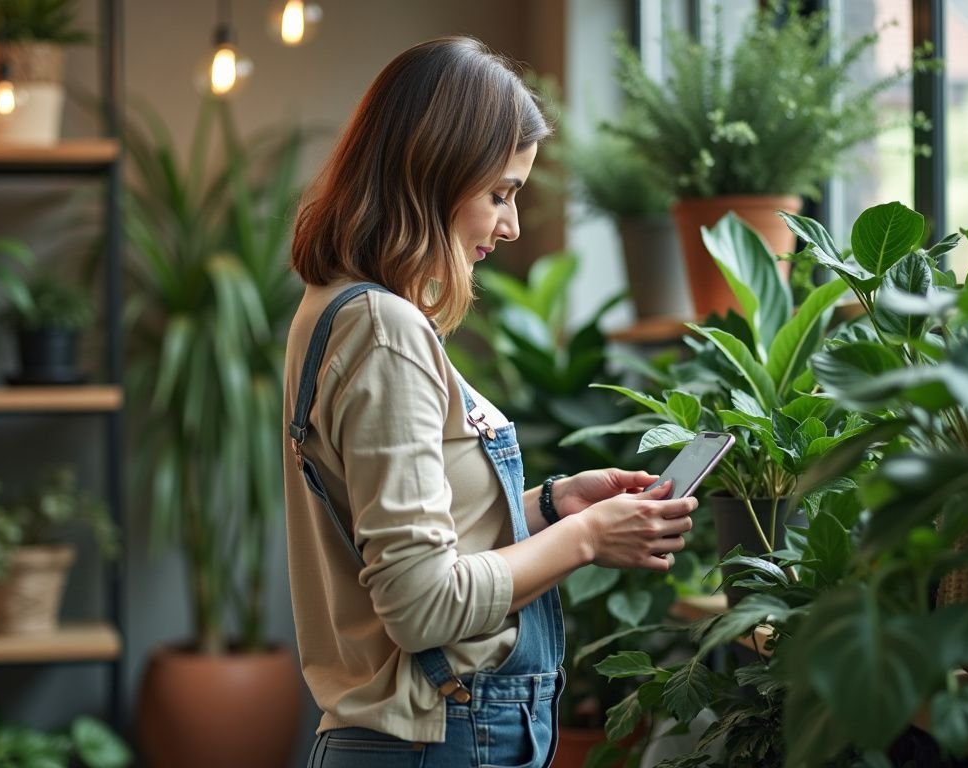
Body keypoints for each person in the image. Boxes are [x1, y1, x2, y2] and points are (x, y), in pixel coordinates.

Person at [282, 35, 698, 768]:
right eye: (499, 194)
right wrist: (590, 538)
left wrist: (552, 504)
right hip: (436, 738)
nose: (509, 224)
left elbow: (418, 534)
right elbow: (422, 606)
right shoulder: (384, 329)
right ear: (432, 174)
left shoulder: (335, 309)